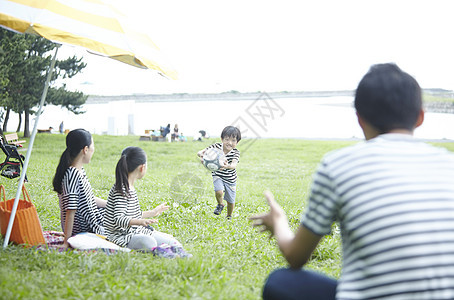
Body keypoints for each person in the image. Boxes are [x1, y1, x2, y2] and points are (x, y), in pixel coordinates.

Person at [250, 63, 454, 299]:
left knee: (281, 281)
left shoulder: (338, 165)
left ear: (359, 118)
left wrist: (279, 222)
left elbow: (296, 257)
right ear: (420, 117)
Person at [104, 146, 190, 256]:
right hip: (120, 236)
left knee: (171, 240)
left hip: (135, 231)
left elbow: (131, 215)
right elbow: (119, 219)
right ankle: (162, 251)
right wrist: (140, 222)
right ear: (142, 168)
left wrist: (153, 213)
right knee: (148, 241)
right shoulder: (121, 189)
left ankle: (174, 252)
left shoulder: (130, 187)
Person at [52, 129, 106, 248]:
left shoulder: (79, 170)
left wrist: (110, 204)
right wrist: (67, 241)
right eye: (92, 146)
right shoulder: (72, 174)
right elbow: (70, 210)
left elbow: (88, 199)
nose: (93, 150)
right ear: (85, 150)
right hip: (87, 228)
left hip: (93, 221)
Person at [197, 126, 241, 219]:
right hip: (218, 175)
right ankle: (220, 204)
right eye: (227, 139)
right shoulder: (215, 147)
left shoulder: (235, 152)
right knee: (219, 192)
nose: (229, 143)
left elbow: (234, 165)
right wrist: (202, 156)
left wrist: (227, 166)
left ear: (237, 142)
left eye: (233, 140)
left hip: (230, 178)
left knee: (230, 201)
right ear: (222, 139)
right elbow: (200, 152)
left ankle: (229, 216)